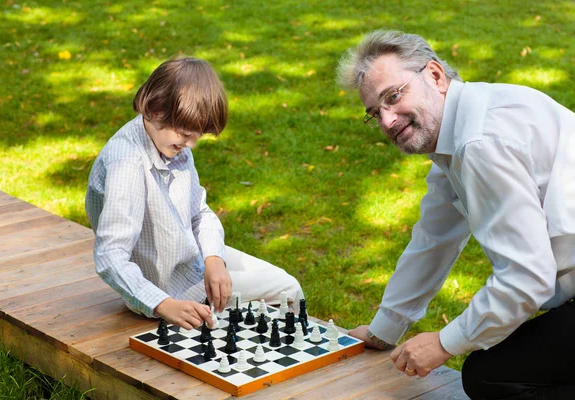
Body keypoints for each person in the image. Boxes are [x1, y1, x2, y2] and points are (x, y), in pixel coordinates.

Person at [336, 30, 575, 399]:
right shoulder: (460, 130)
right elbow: (434, 238)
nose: (387, 121)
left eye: (393, 97)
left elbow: (528, 276)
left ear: (434, 75)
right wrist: (385, 328)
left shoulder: (479, 142)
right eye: (374, 113)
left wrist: (445, 343)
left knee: (488, 377)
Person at [85, 56, 303, 331]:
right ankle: (277, 364)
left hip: (188, 256)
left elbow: (199, 211)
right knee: (288, 289)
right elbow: (111, 255)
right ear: (154, 109)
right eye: (187, 134)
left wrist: (214, 258)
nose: (191, 145)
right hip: (166, 287)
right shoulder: (127, 164)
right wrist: (163, 304)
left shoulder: (168, 139)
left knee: (279, 279)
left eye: (196, 135)